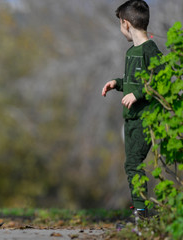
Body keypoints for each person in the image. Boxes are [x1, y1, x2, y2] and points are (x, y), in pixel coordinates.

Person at [101, 0, 163, 219]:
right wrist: (117, 83)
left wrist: (138, 95)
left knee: (133, 164)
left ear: (126, 24)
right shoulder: (131, 52)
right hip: (132, 118)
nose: (120, 28)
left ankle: (141, 214)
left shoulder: (150, 49)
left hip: (145, 119)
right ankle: (142, 211)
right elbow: (134, 82)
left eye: (119, 23)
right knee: (131, 164)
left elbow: (161, 80)